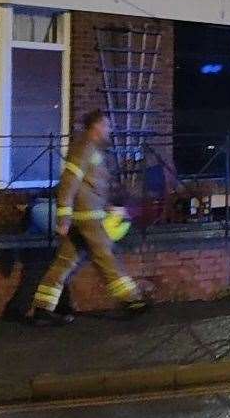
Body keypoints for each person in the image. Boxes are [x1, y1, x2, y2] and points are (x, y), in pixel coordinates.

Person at [22, 110, 148, 326]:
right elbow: (68, 182)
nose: (109, 130)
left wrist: (108, 207)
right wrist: (63, 217)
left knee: (64, 262)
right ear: (96, 127)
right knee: (106, 257)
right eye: (106, 125)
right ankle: (132, 300)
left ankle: (42, 308)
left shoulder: (91, 149)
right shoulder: (84, 147)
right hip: (88, 218)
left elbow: (90, 187)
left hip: (87, 216)